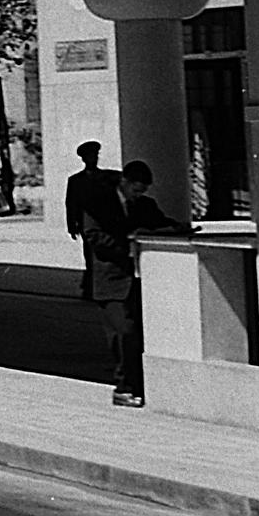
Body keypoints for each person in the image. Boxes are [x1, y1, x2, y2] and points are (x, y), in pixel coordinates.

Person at [85, 160, 190, 406]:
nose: (138, 195)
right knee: (123, 333)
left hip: (139, 280)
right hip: (111, 280)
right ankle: (123, 387)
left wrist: (178, 228)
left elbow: (159, 223)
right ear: (124, 181)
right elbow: (93, 236)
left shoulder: (145, 205)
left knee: (138, 335)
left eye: (142, 191)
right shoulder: (98, 203)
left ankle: (137, 385)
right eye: (135, 189)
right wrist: (126, 248)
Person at [66, 140, 120, 302]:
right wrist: (72, 225)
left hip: (106, 222)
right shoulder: (76, 180)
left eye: (95, 155)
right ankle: (90, 288)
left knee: (105, 255)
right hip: (87, 224)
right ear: (83, 159)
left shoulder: (107, 177)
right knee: (90, 256)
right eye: (89, 156)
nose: (93, 159)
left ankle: (96, 287)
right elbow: (71, 203)